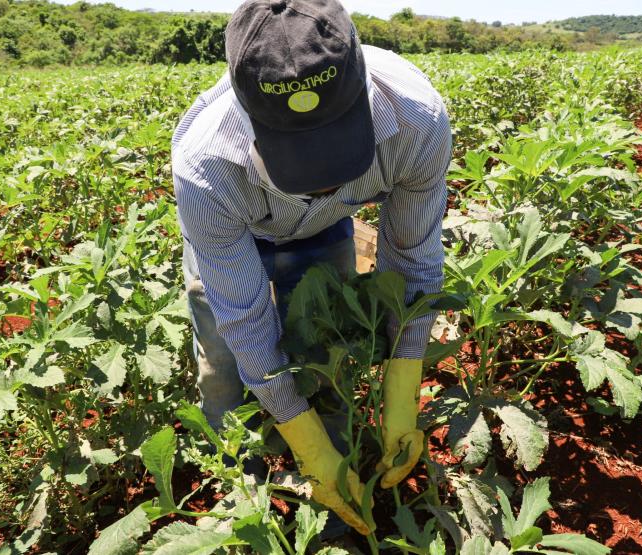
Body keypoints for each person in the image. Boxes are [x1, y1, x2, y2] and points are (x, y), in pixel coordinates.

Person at [171, 0, 451, 536]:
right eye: (299, 157)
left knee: (328, 361)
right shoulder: (206, 166)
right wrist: (304, 440)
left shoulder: (418, 120)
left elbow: (412, 264)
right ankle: (244, 495)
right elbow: (246, 316)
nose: (324, 180)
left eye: (334, 150)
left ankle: (337, 503)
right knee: (226, 371)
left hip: (327, 232)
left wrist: (402, 386)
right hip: (236, 230)